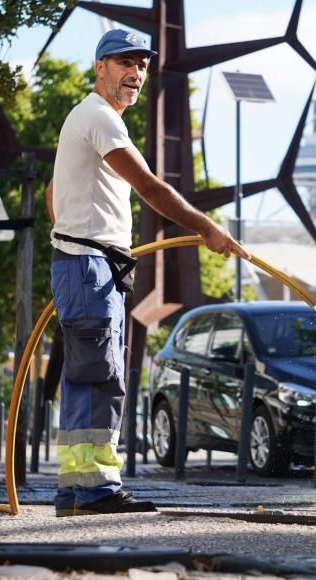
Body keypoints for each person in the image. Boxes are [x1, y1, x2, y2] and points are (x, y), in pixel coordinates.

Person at [46, 29, 249, 517]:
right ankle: (96, 489)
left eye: (141, 64)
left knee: (84, 376)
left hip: (87, 264)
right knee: (101, 376)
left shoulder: (87, 119)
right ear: (100, 68)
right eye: (124, 62)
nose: (135, 72)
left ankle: (76, 488)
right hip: (90, 267)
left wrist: (73, 233)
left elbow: (53, 193)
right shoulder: (99, 118)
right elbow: (151, 187)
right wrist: (207, 229)